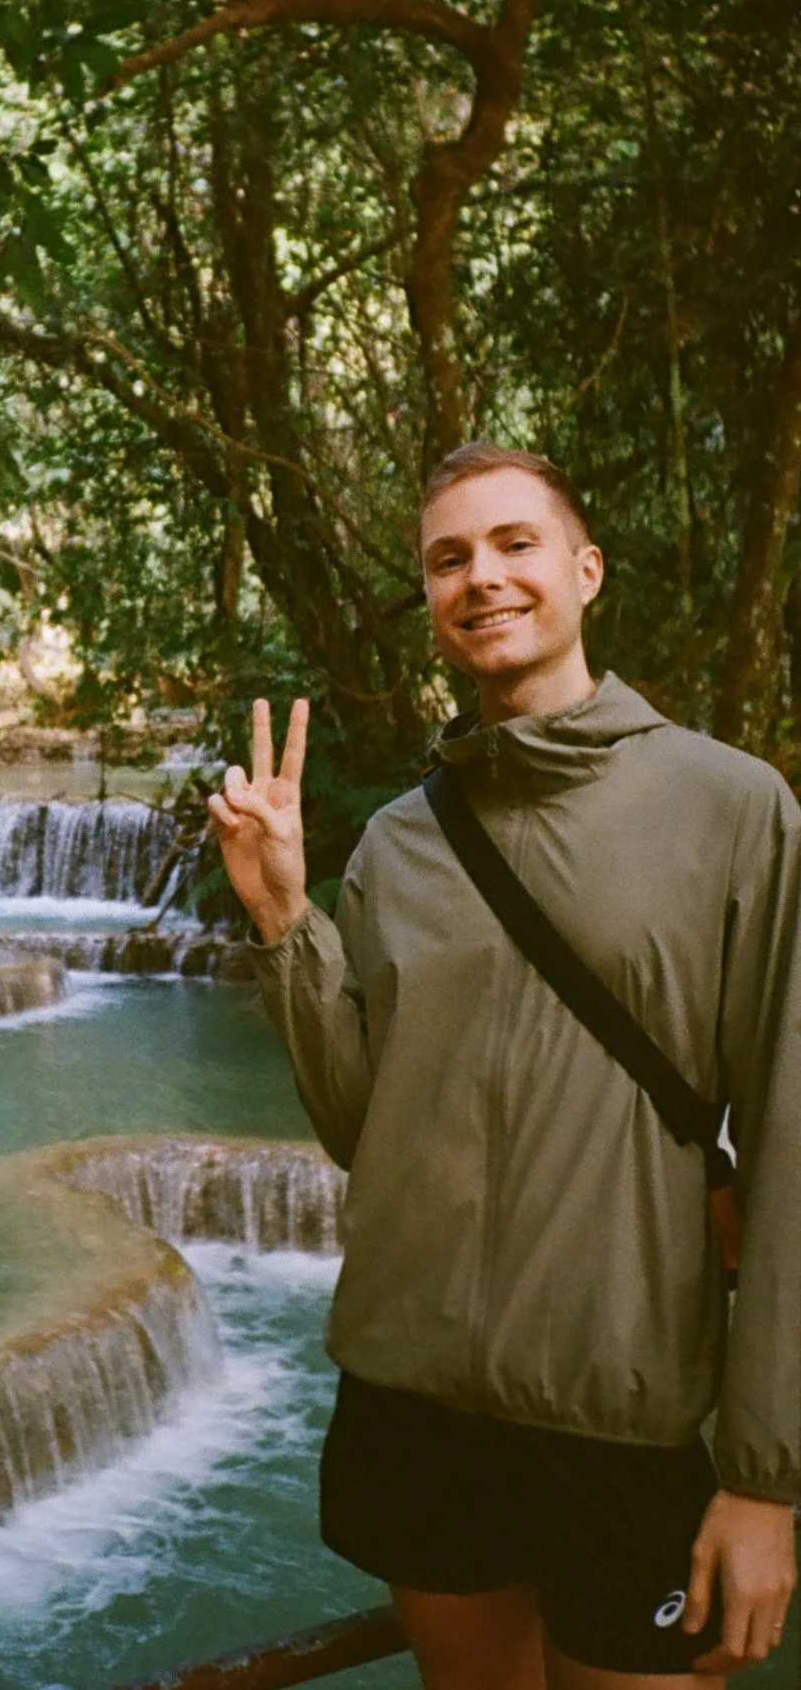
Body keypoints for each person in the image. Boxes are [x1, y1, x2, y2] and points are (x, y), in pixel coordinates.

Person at [209, 443, 798, 1690]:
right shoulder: (399, 843)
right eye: (446, 557)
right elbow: (367, 1120)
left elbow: (790, 1143)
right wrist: (282, 921)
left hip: (619, 1414)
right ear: (429, 600)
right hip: (409, 1403)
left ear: (583, 571)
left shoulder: (730, 809)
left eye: (512, 543)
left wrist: (761, 1477)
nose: (481, 576)